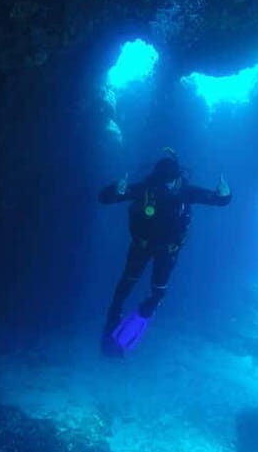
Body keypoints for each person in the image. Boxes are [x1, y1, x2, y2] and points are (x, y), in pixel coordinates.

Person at [98, 149, 231, 356]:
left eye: (171, 181)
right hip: (141, 248)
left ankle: (127, 334)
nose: (167, 186)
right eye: (162, 181)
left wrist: (225, 195)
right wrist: (115, 190)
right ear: (155, 178)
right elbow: (104, 198)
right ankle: (108, 338)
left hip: (167, 252)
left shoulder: (187, 192)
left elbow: (215, 200)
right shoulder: (145, 189)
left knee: (157, 295)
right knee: (122, 291)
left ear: (179, 177)